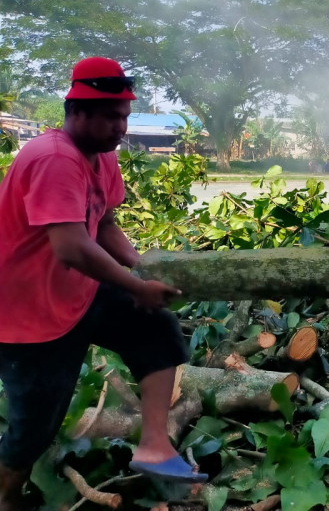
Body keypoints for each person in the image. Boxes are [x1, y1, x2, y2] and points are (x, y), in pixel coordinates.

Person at [0, 57, 206, 510]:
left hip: (79, 292)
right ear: (77, 113)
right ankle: (6, 495)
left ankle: (154, 445)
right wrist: (135, 287)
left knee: (155, 328)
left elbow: (104, 222)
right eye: (112, 117)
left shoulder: (101, 157)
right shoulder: (54, 158)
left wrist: (141, 270)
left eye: (125, 116)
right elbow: (72, 246)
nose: (121, 127)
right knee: (36, 424)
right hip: (27, 315)